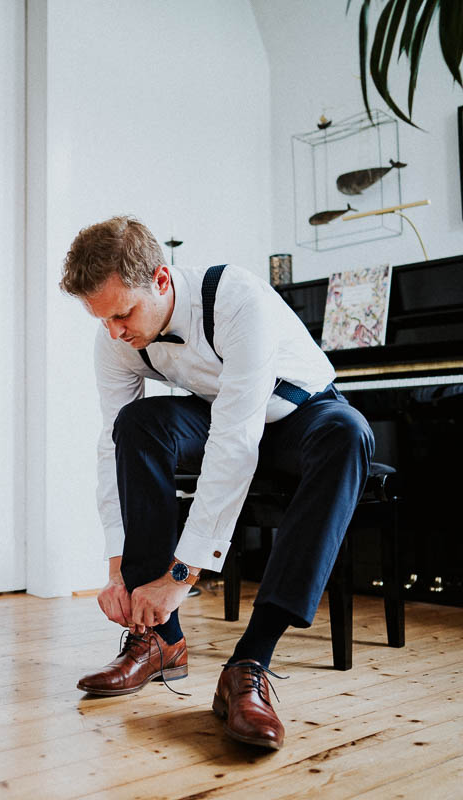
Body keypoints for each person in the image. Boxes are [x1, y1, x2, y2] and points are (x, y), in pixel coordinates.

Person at [60, 216, 373, 750]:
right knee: (133, 427)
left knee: (349, 434)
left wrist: (181, 575)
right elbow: (112, 447)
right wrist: (117, 568)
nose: (114, 332)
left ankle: (250, 663)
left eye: (122, 314)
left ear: (161, 280)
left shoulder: (237, 299)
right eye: (103, 319)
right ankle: (158, 638)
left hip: (299, 417)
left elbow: (236, 442)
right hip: (221, 414)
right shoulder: (114, 334)